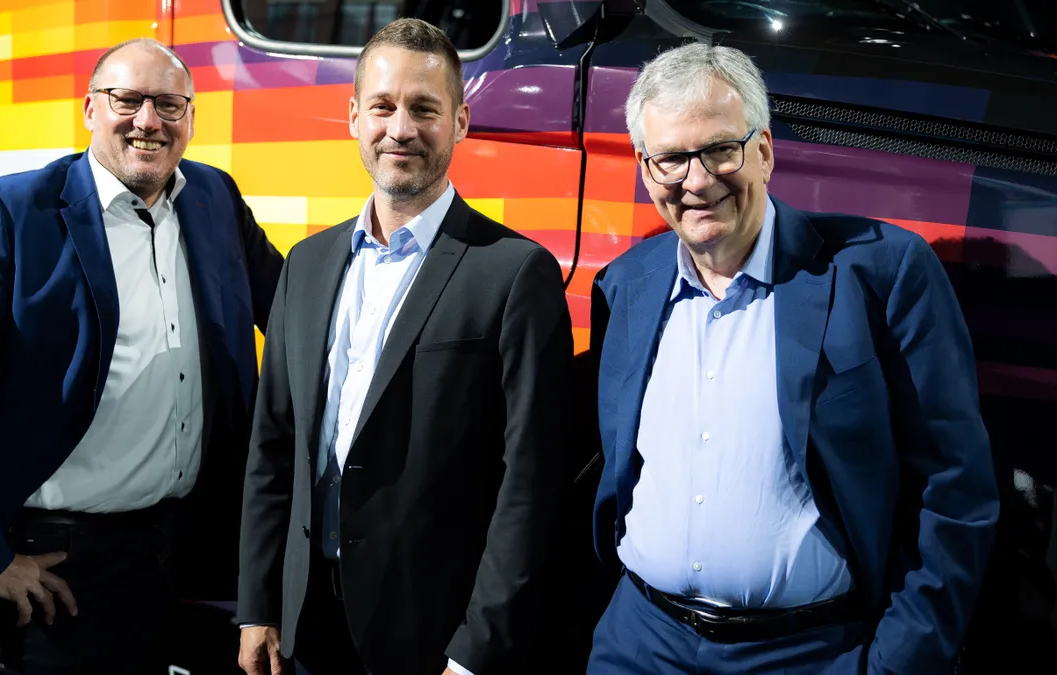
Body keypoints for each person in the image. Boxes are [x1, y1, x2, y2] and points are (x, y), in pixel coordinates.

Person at [587, 42, 998, 675]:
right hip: (641, 644)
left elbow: (954, 489)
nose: (696, 181)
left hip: (809, 653)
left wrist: (901, 661)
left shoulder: (882, 274)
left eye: (720, 149)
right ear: (646, 170)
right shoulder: (625, 285)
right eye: (671, 159)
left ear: (765, 151)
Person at [0, 37, 283, 674]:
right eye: (128, 100)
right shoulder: (14, 212)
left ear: (190, 119)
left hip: (188, 548)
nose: (149, 121)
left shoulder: (215, 199)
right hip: (63, 565)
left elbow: (291, 313)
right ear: (90, 109)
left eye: (169, 105)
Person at [235, 18, 574, 675]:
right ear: (354, 116)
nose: (401, 128)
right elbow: (272, 446)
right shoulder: (305, 264)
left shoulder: (513, 272)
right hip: (307, 626)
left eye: (425, 108)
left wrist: (478, 648)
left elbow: (529, 484)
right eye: (384, 106)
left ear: (462, 122)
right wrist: (258, 603)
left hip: (432, 637)